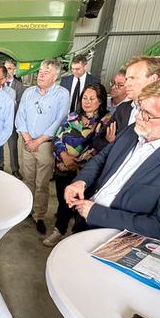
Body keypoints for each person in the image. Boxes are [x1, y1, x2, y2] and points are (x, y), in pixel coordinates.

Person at [64, 74, 160, 241]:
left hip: (114, 240)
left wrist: (96, 213)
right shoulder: (135, 129)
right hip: (84, 221)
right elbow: (103, 158)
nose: (138, 117)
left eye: (148, 114)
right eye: (140, 108)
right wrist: (80, 181)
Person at [43, 83, 111, 247]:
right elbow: (58, 138)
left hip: (84, 172)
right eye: (84, 98)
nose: (87, 102)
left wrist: (74, 163)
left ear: (100, 101)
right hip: (62, 167)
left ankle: (73, 237)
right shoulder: (72, 116)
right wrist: (63, 157)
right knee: (63, 201)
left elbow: (96, 148)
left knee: (79, 205)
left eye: (92, 99)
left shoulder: (104, 121)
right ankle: (59, 230)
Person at [15, 59, 70, 234]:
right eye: (40, 71)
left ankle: (38, 215)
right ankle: (26, 210)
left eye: (46, 72)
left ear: (55, 76)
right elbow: (20, 116)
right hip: (26, 142)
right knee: (28, 179)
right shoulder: (29, 92)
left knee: (42, 183)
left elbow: (59, 121)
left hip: (45, 145)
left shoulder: (62, 94)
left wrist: (37, 141)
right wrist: (27, 138)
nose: (40, 74)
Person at [106, 56, 160, 142]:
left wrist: (115, 143)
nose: (127, 84)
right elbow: (98, 140)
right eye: (127, 79)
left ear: (153, 79)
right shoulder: (123, 108)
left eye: (132, 78)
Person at [4, 59, 25, 178]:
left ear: (15, 70)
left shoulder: (19, 86)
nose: (7, 71)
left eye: (10, 68)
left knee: (13, 146)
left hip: (12, 122)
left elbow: (21, 105)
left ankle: (15, 169)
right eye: (6, 68)